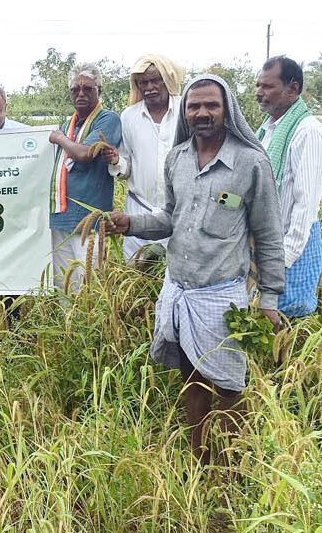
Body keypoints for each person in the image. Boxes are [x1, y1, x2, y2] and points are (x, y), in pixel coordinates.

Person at [106, 74, 284, 463]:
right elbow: (170, 218)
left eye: (211, 106)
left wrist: (269, 298)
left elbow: (270, 235)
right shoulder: (178, 159)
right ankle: (200, 460)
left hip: (221, 299)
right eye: (194, 106)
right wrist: (131, 223)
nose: (202, 113)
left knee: (230, 388)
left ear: (227, 110)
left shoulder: (250, 163)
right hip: (180, 293)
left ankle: (235, 467)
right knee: (192, 381)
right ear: (185, 112)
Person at [255, 55, 322, 317]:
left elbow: (306, 203)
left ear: (293, 89)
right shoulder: (268, 129)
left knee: (287, 319)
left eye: (267, 86)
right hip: (268, 242)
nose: (259, 93)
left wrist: (284, 258)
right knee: (263, 321)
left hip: (292, 245)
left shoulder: (307, 131)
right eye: (258, 86)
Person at [102, 55, 184, 262]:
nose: (149, 87)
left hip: (179, 211)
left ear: (167, 80)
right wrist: (115, 161)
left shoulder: (185, 110)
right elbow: (126, 165)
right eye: (143, 82)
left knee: (175, 276)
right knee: (137, 274)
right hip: (140, 209)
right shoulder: (129, 116)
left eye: (155, 80)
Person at [48, 63, 121, 291]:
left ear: (99, 90)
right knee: (64, 285)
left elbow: (84, 154)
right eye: (75, 90)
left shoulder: (107, 120)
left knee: (92, 286)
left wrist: (59, 138)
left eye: (88, 89)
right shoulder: (66, 125)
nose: (81, 94)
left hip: (90, 218)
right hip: (61, 216)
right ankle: (68, 327)